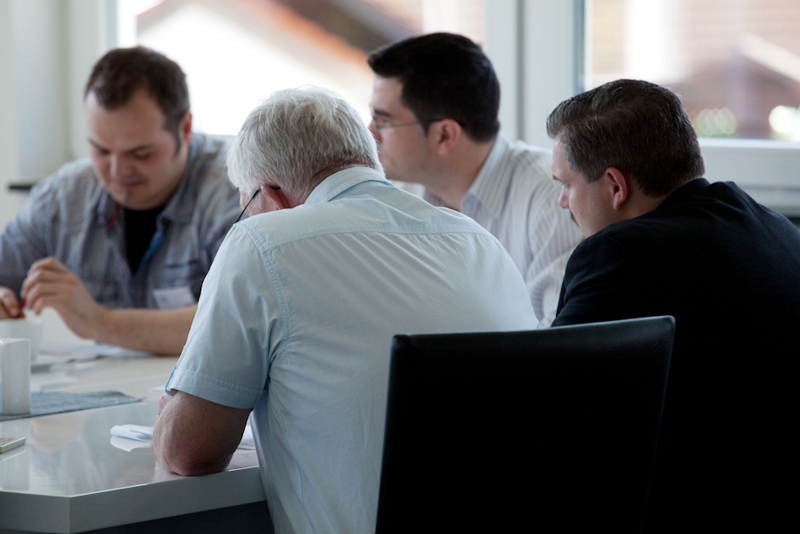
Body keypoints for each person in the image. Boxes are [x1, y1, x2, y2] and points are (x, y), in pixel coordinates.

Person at [153, 87, 537, 534]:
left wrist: (169, 410)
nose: (249, 220)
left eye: (247, 208)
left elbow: (188, 452)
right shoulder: (480, 243)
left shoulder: (264, 241)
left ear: (272, 197)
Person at [548, 79, 800, 532]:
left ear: (615, 187)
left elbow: (551, 405)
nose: (561, 201)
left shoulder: (621, 254)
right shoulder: (773, 227)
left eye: (565, 184)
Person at [0, 47, 241, 355]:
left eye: (140, 154)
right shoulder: (63, 197)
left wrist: (100, 322)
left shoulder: (237, 192)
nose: (117, 172)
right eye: (100, 150)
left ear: (185, 129)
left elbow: (236, 325)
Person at [367, 32, 581, 327]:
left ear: (445, 135)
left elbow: (561, 343)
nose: (370, 132)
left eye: (383, 120)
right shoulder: (397, 196)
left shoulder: (552, 198)